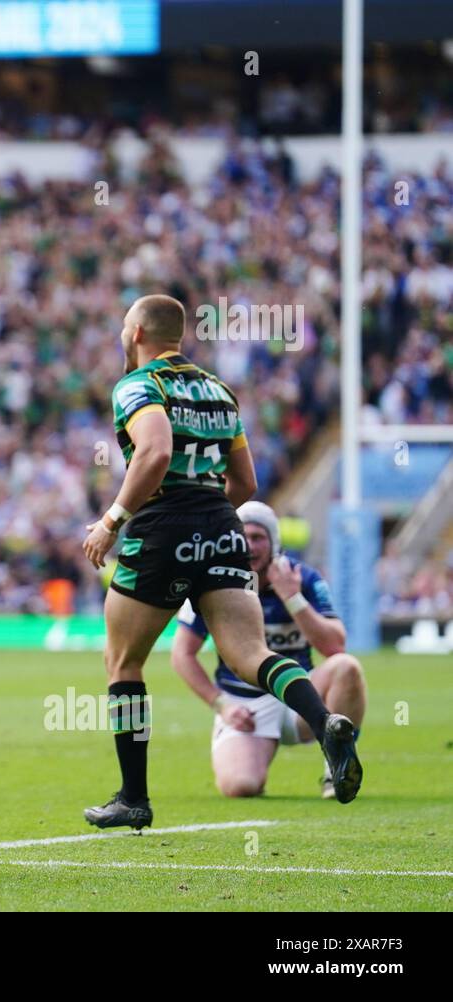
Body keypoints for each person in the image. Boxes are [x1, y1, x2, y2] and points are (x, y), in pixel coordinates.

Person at [80, 294, 362, 829]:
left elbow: (155, 452)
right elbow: (247, 483)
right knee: (248, 653)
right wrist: (209, 526)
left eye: (124, 326)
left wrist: (112, 520)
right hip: (223, 524)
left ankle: (133, 798)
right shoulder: (218, 390)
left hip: (163, 527)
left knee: (124, 663)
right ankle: (325, 722)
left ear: (138, 331)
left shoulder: (138, 385)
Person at [172, 501, 367, 799]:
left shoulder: (304, 578)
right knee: (240, 786)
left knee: (347, 667)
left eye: (258, 537)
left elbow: (335, 645)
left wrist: (293, 598)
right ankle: (254, 753)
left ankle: (337, 767)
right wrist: (221, 705)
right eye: (243, 536)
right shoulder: (213, 582)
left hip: (302, 701)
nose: (250, 545)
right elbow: (182, 654)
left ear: (274, 541)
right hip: (246, 705)